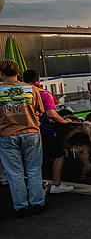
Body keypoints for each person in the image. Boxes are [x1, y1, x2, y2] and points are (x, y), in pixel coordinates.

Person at [0, 60, 46, 216]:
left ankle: (21, 206)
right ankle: (37, 203)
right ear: (18, 72)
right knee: (34, 170)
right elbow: (40, 110)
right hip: (31, 132)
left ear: (1, 73)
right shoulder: (31, 89)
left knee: (14, 173)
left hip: (6, 135)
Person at [22, 69, 73, 194]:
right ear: (38, 79)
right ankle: (56, 185)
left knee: (31, 161)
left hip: (24, 131)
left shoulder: (20, 94)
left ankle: (35, 186)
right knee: (58, 155)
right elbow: (51, 114)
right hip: (45, 132)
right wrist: (64, 122)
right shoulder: (44, 94)